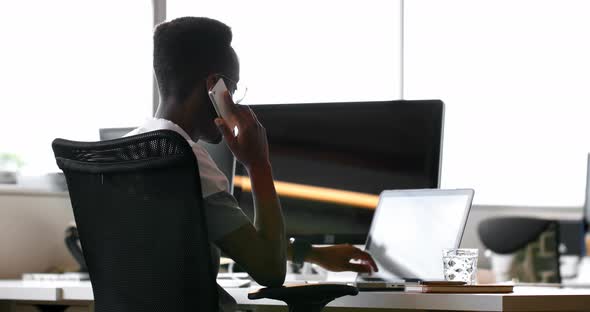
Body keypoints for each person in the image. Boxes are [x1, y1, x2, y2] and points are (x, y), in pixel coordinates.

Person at [128, 16, 377, 311]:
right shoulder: (186, 159)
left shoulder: (129, 151)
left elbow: (231, 237)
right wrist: (258, 165)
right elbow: (270, 272)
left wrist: (312, 254)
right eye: (231, 91)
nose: (233, 100)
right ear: (214, 88)